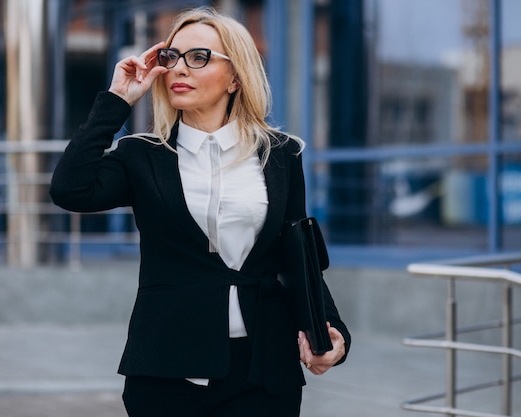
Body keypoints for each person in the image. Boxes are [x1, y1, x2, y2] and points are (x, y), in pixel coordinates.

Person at [50, 6, 350, 417]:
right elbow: (70, 189)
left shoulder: (280, 154)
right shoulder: (143, 155)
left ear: (236, 77)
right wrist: (117, 100)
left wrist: (330, 331)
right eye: (171, 58)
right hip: (166, 371)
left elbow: (297, 256)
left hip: (263, 372)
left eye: (199, 57)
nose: (179, 70)